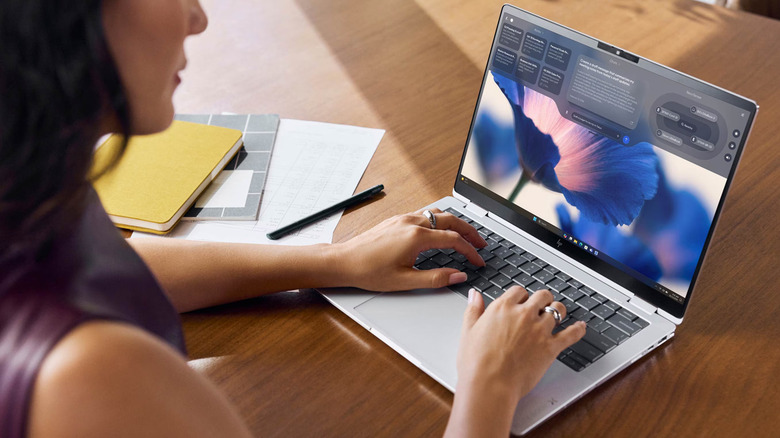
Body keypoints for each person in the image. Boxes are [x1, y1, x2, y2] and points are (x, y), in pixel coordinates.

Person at [0, 1, 586, 436]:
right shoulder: (94, 382)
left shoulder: (30, 193)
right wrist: (490, 389)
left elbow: (114, 265)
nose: (198, 17)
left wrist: (333, 261)